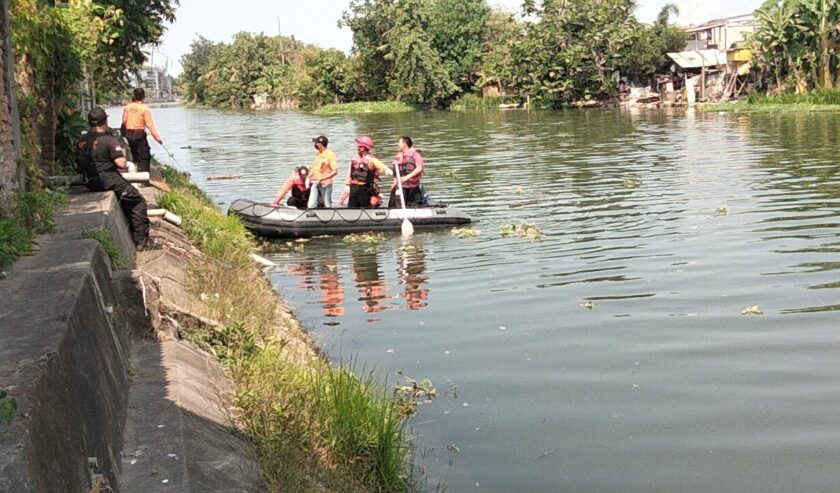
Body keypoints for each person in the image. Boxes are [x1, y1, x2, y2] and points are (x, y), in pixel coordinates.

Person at [76, 107, 156, 250]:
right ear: (105, 122)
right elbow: (121, 164)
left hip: (89, 181)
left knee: (127, 200)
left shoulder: (81, 140)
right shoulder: (109, 140)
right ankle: (142, 241)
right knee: (138, 202)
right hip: (108, 179)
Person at [121, 87, 163, 173]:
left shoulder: (127, 107)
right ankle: (144, 178)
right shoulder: (144, 109)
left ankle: (136, 170)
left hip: (129, 134)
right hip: (139, 134)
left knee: (135, 153)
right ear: (144, 97)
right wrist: (157, 138)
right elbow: (150, 125)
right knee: (144, 155)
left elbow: (124, 121)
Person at [345, 136, 392, 208]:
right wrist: (347, 184)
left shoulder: (371, 159)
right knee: (352, 206)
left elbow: (379, 164)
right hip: (354, 187)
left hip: (364, 188)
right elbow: (350, 172)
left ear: (363, 148)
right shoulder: (355, 158)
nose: (357, 147)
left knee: (365, 206)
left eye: (359, 146)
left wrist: (385, 169)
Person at [388, 136, 425, 208]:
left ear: (404, 145)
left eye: (399, 143)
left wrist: (407, 177)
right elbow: (396, 173)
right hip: (402, 186)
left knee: (414, 206)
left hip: (413, 186)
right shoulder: (399, 157)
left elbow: (419, 168)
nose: (398, 144)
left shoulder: (416, 155)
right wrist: (394, 182)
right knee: (397, 205)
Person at [307, 135, 338, 209]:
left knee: (327, 204)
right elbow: (315, 168)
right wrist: (308, 177)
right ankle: (311, 213)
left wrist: (323, 178)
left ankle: (329, 216)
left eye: (316, 143)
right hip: (316, 182)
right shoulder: (318, 154)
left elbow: (335, 171)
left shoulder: (330, 155)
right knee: (312, 203)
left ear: (320, 144)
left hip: (326, 184)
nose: (315, 145)